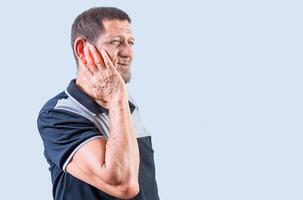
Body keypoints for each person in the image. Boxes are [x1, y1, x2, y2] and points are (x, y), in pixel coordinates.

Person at [37, 7, 160, 200]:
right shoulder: (58, 115)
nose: (128, 52)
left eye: (131, 42)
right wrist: (116, 93)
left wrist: (117, 97)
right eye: (116, 42)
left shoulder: (128, 105)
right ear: (82, 49)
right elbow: (123, 185)